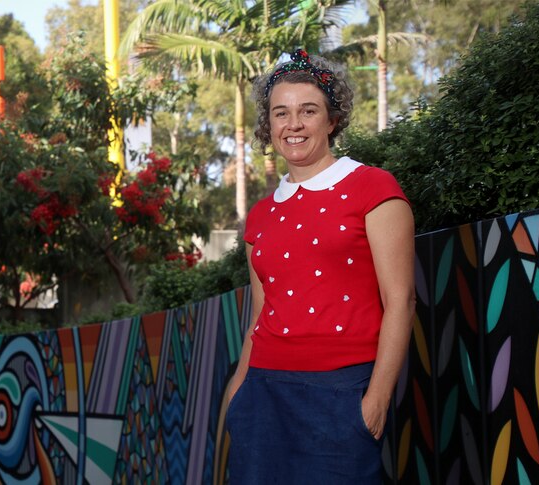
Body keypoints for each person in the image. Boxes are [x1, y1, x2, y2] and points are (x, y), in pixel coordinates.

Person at [224, 49, 415, 483]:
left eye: (308, 111)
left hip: (341, 393)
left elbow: (401, 300)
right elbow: (259, 316)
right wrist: (237, 390)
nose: (293, 124)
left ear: (332, 120)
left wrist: (378, 399)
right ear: (268, 125)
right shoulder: (260, 215)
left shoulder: (372, 187)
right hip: (262, 395)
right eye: (281, 113)